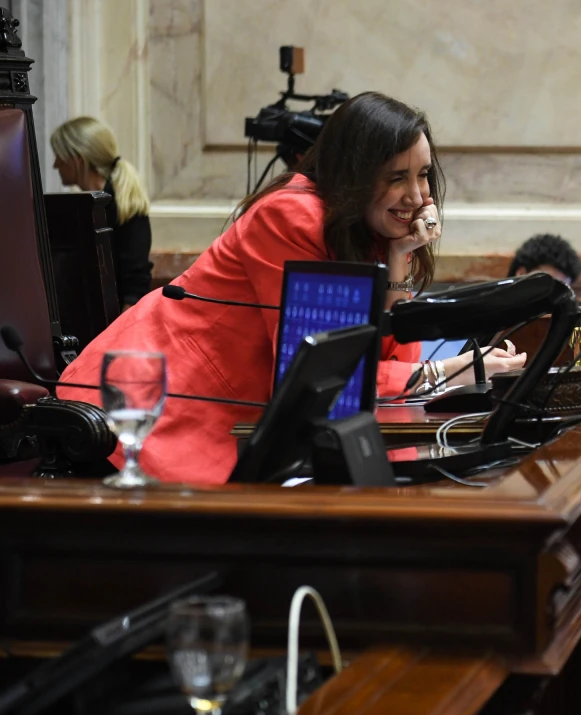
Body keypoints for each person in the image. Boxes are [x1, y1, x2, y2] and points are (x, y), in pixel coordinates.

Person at [58, 92, 525, 485]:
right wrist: (453, 370)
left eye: (422, 174)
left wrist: (402, 253)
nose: (419, 197)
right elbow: (331, 377)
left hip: (219, 418)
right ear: (356, 175)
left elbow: (384, 360)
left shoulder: (369, 232)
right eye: (397, 177)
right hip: (148, 407)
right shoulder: (292, 216)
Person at [50, 117, 154, 309]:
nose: (55, 164)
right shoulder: (82, 207)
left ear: (77, 159)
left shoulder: (124, 206)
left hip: (115, 321)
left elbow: (135, 287)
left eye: (59, 155)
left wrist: (121, 328)